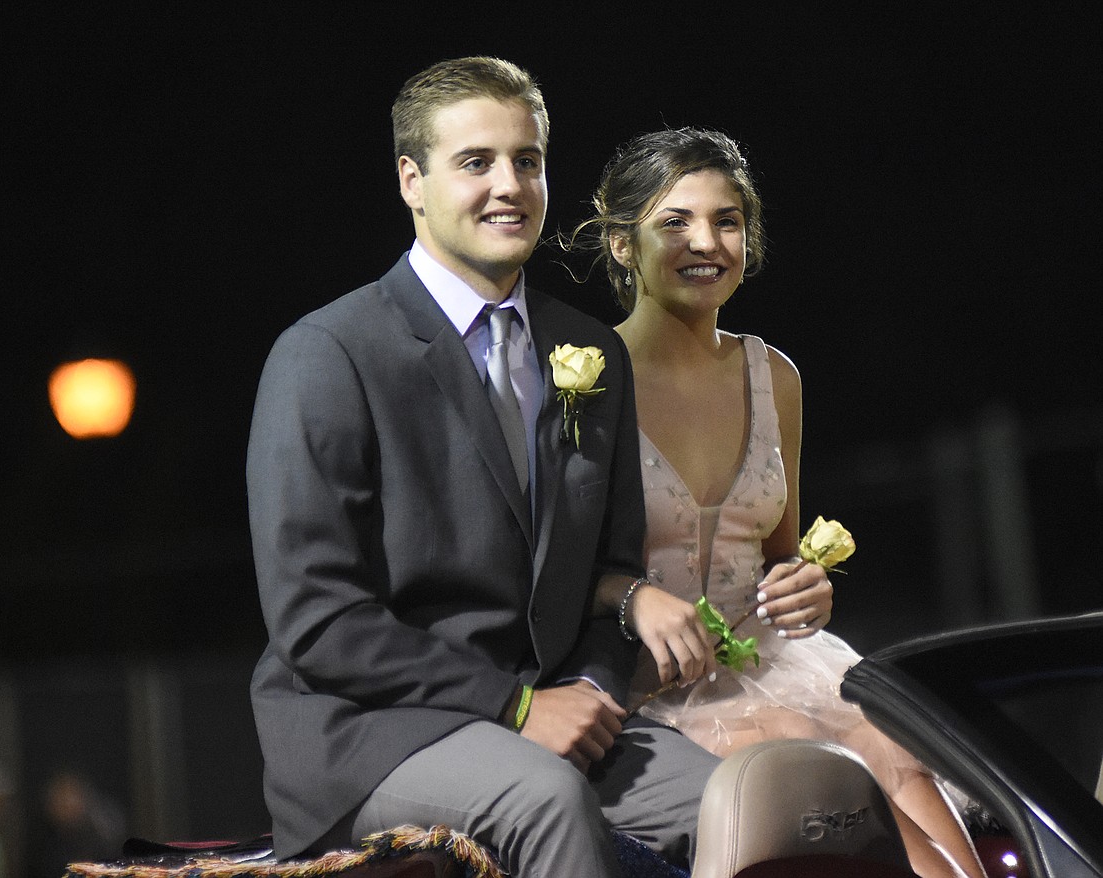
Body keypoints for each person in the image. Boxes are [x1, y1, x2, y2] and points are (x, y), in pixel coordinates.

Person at [245, 57, 720, 878]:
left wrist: (597, 697)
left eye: (527, 160)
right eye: (477, 162)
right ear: (411, 181)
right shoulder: (327, 355)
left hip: (559, 716)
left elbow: (613, 569)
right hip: (374, 732)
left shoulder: (589, 350)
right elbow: (317, 620)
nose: (510, 185)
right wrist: (517, 706)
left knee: (752, 798)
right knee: (546, 801)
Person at [575, 127, 988, 878]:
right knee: (819, 764)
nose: (707, 241)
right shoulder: (583, 381)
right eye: (676, 222)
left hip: (774, 662)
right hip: (649, 688)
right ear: (622, 244)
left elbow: (779, 558)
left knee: (896, 752)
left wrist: (805, 587)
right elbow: (548, 574)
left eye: (726, 220)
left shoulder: (774, 375)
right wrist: (630, 596)